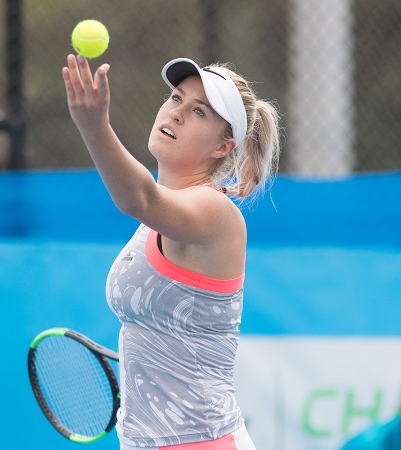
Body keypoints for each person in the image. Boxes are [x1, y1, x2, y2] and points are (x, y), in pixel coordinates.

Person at [62, 53, 281, 450]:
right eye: (176, 97)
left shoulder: (217, 214)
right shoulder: (155, 222)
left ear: (223, 146)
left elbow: (140, 197)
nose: (177, 113)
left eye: (199, 112)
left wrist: (95, 129)